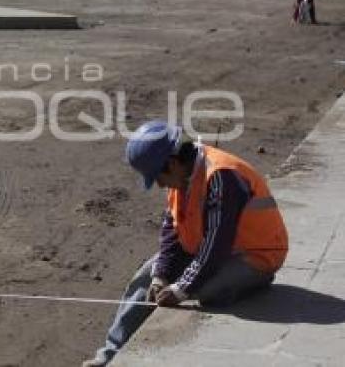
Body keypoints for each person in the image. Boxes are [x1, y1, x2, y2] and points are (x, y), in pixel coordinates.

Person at [82, 121, 289, 367]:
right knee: (144, 280)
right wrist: (161, 276)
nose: (159, 184)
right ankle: (108, 356)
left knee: (204, 292)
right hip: (207, 249)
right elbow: (172, 230)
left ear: (172, 163)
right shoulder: (181, 177)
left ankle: (257, 280)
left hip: (255, 255)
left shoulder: (222, 176)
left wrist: (181, 289)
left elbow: (216, 244)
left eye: (159, 177)